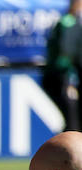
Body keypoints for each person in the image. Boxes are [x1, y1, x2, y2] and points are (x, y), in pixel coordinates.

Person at [41, 0, 82, 132]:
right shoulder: (68, 22)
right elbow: (66, 52)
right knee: (72, 119)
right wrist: (71, 79)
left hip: (60, 76)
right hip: (63, 77)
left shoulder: (68, 22)